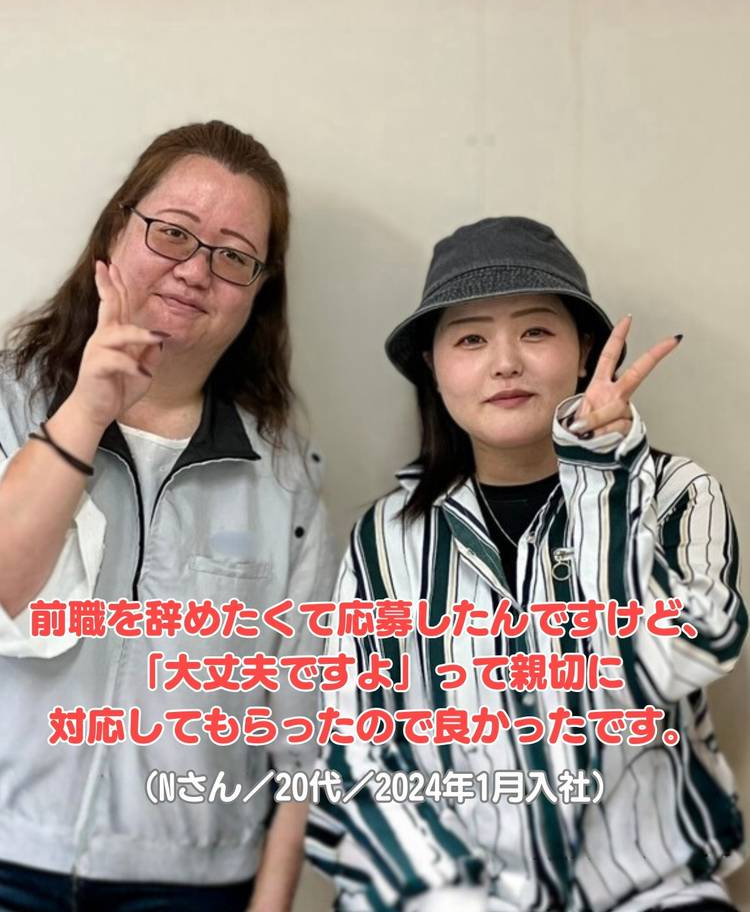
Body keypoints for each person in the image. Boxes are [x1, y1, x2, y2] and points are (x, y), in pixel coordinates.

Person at [305, 217, 746, 912]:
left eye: (536, 331)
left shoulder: (677, 494)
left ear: (584, 351)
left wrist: (600, 478)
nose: (505, 362)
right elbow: (355, 751)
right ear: (433, 367)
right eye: (470, 338)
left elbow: (682, 657)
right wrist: (448, 897)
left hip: (654, 893)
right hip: (452, 895)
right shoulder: (384, 539)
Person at [0, 120, 336, 911]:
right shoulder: (12, 408)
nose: (194, 271)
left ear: (259, 289)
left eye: (233, 256)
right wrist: (89, 407)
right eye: (174, 232)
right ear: (116, 230)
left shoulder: (284, 479)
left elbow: (303, 734)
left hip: (190, 882)